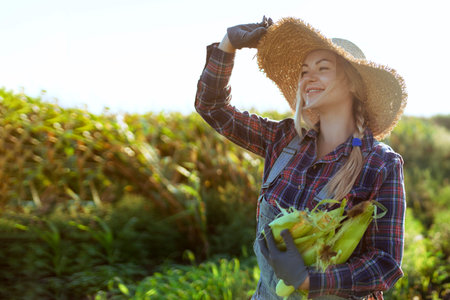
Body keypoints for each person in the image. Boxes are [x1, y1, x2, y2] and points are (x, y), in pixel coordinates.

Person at [195, 16, 407, 300]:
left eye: (322, 68)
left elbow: (384, 264)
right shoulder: (283, 140)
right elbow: (212, 108)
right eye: (305, 71)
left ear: (354, 85)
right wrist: (228, 45)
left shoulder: (379, 163)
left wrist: (309, 280)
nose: (308, 77)